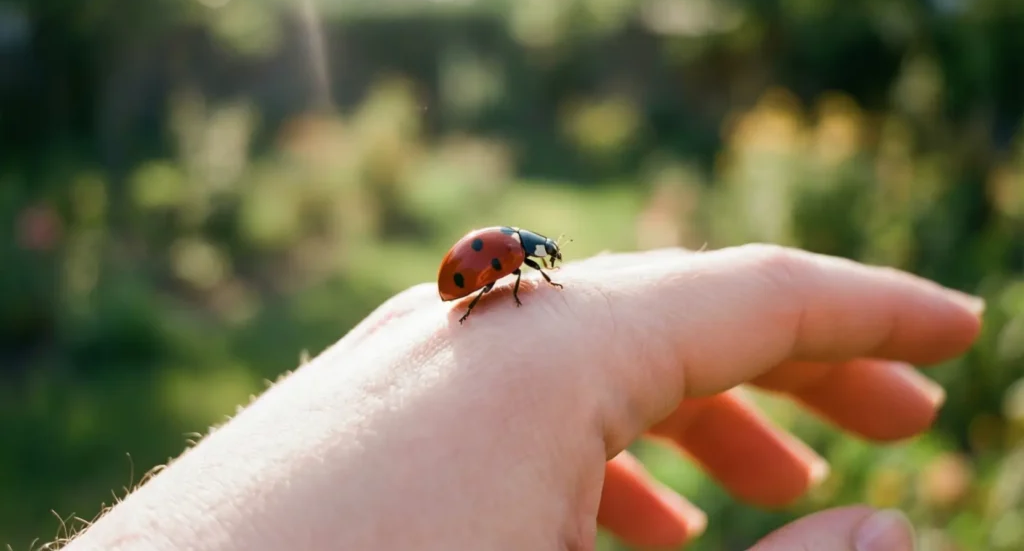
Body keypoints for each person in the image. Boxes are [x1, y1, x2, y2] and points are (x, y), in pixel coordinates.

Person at [61, 244, 984, 551]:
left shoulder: (505, 261)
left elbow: (499, 274)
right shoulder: (504, 265)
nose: (535, 267)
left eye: (530, 262)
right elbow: (497, 276)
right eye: (534, 260)